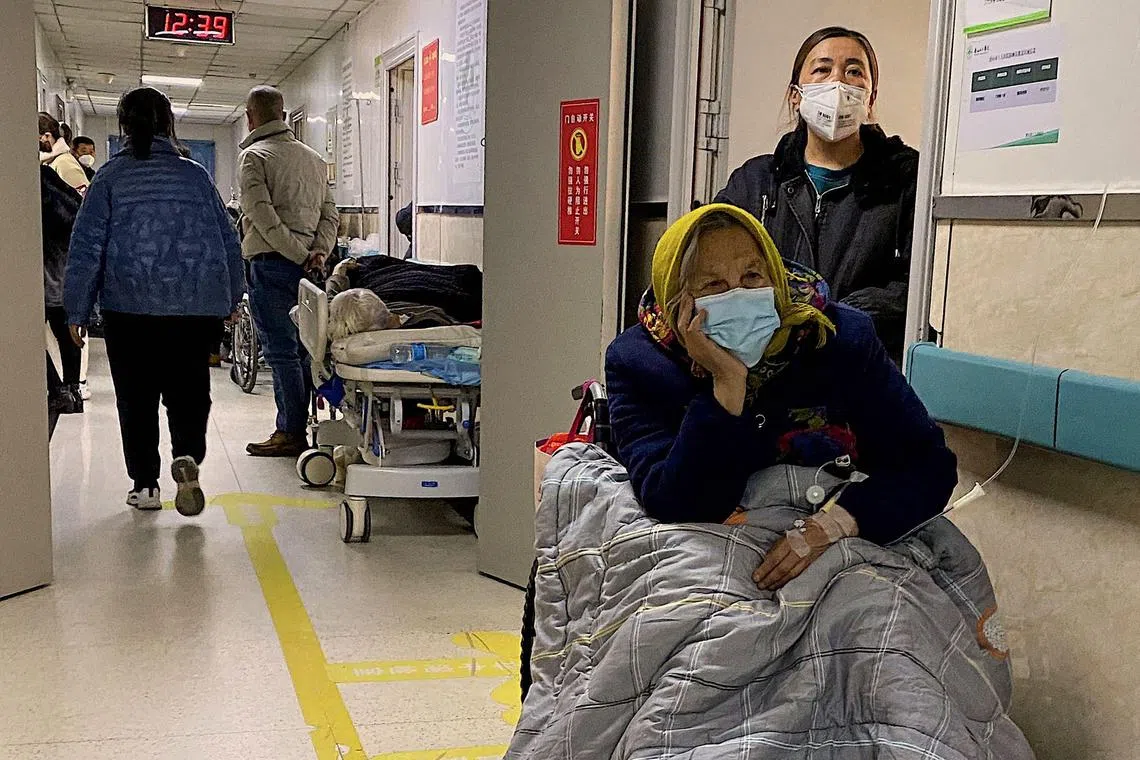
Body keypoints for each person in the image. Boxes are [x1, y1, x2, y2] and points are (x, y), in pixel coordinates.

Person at [604, 204, 957, 589]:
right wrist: (726, 386)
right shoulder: (639, 362)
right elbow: (675, 504)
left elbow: (928, 465)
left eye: (752, 276)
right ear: (677, 299)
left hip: (842, 527)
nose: (738, 296)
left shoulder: (838, 339)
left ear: (775, 275)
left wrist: (832, 525)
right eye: (713, 285)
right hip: (711, 544)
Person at [64, 87, 244, 514]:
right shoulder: (195, 176)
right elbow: (227, 240)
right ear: (168, 125)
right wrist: (232, 296)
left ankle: (145, 485)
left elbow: (87, 246)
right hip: (193, 308)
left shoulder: (110, 177)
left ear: (125, 126)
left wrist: (76, 308)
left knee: (136, 398)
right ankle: (188, 456)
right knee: (189, 391)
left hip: (129, 306)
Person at [715, 27, 916, 362]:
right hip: (767, 367)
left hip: (862, 368)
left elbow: (921, 286)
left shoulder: (906, 180)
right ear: (796, 95)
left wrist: (833, 316)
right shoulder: (755, 182)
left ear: (870, 99)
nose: (837, 83)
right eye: (822, 69)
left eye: (854, 72)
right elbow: (710, 267)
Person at [239, 85, 339, 457]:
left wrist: (299, 254)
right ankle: (304, 424)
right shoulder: (314, 159)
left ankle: (290, 431)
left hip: (271, 266)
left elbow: (262, 218)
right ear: (282, 115)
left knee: (281, 353)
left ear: (250, 116)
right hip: (310, 271)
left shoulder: (254, 157)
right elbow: (330, 214)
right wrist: (317, 254)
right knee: (304, 351)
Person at [40, 160, 84, 421]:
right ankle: (72, 390)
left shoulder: (38, 205)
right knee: (68, 339)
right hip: (66, 281)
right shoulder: (69, 202)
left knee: (31, 340)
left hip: (44, 282)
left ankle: (57, 389)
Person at [38, 113, 88, 194]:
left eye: (39, 138)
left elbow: (83, 198)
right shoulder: (53, 161)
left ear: (47, 136)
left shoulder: (64, 163)